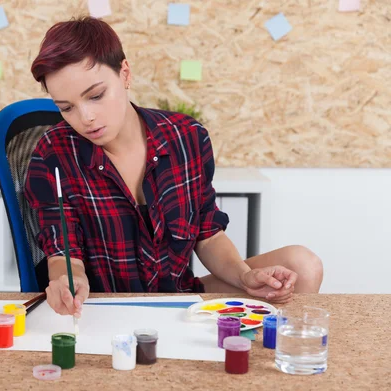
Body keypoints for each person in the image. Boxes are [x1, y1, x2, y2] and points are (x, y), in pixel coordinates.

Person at [25, 16, 323, 319]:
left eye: (96, 95)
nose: (85, 117)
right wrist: (68, 282)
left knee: (302, 265)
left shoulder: (187, 137)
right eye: (66, 108)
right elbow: (63, 252)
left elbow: (208, 236)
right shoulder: (51, 154)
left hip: (181, 302)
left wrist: (244, 276)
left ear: (124, 73)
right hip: (104, 309)